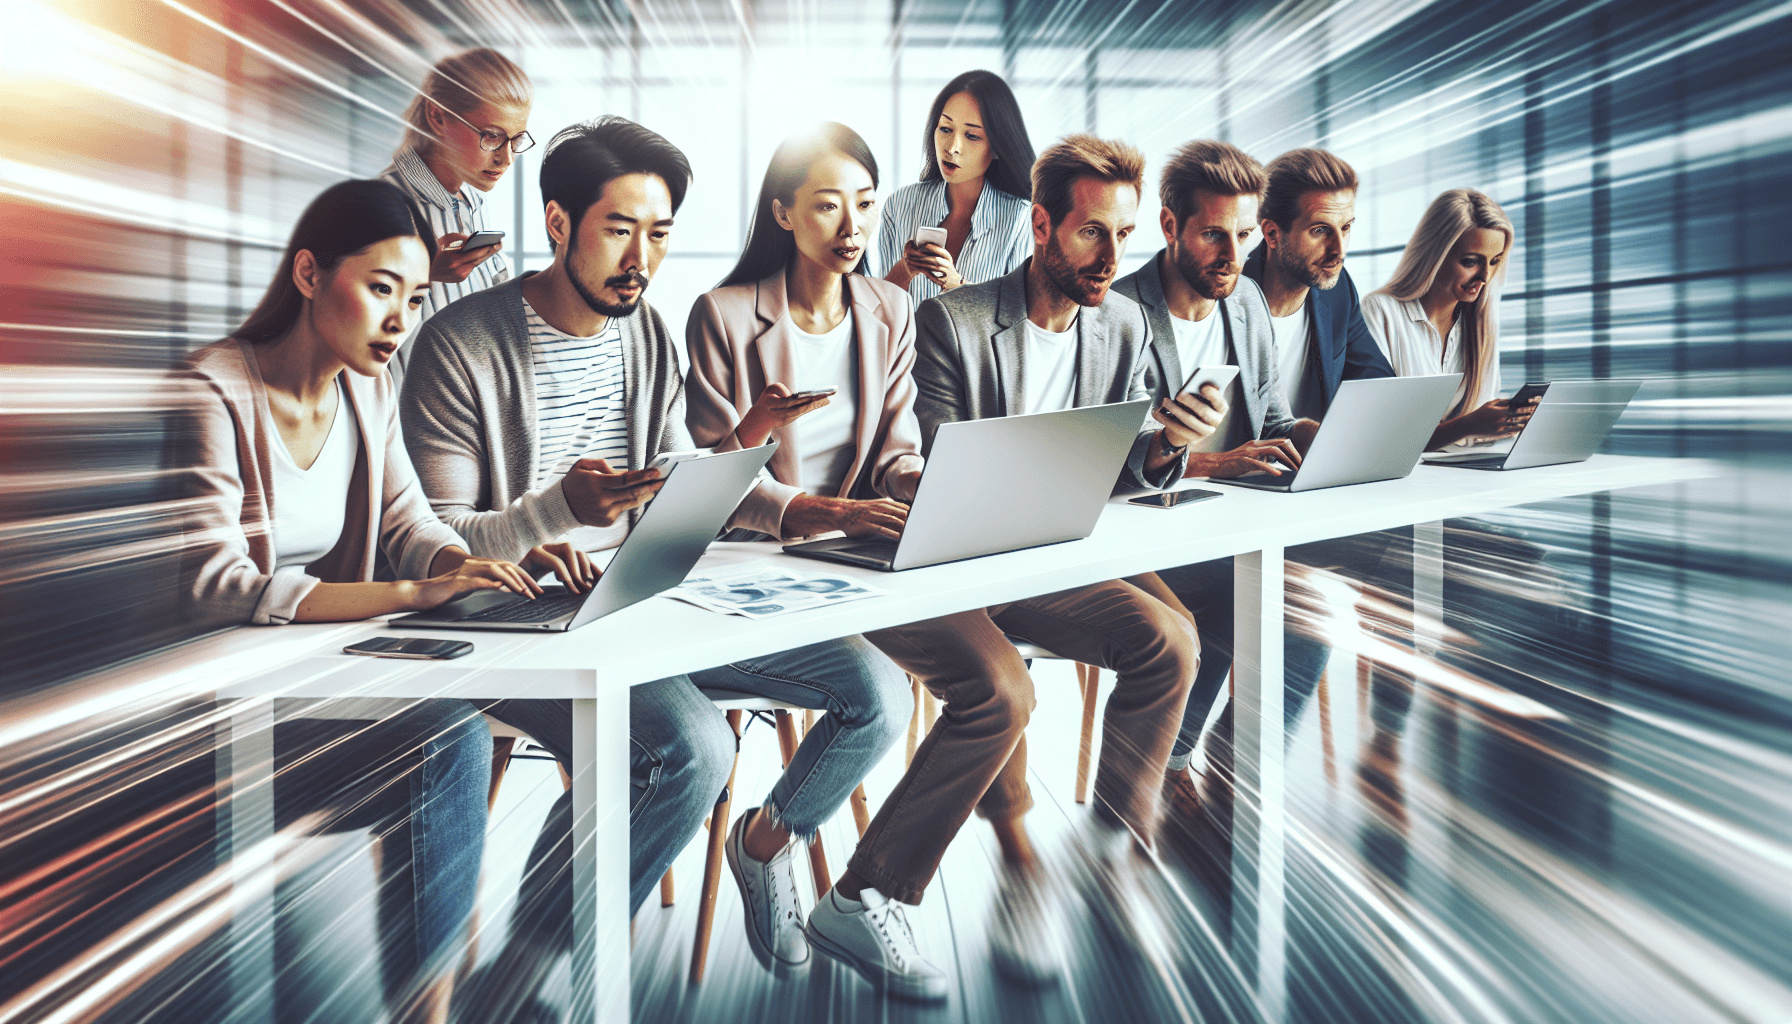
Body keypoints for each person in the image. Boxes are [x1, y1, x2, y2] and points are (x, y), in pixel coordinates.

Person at [398, 117, 907, 1002]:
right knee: (694, 748)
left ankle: (758, 854)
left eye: (661, 233)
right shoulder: (460, 346)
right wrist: (560, 510)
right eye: (620, 229)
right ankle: (532, 974)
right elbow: (439, 545)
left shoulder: (646, 334)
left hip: (646, 591)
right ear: (558, 224)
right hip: (513, 616)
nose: (643, 256)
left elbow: (681, 475)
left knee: (877, 692)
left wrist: (809, 510)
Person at [788, 133, 1204, 998]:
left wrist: (1164, 445)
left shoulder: (1121, 322)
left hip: (1051, 554)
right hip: (953, 560)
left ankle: (1110, 842)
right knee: (1004, 685)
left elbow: (1119, 465)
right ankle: (1005, 861)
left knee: (1172, 640)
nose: (1112, 257)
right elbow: (936, 464)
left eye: (1126, 236)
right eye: (1093, 233)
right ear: (1043, 225)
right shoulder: (955, 319)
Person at [172, 179, 538, 1024]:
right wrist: (412, 592)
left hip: (318, 686)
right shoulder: (213, 388)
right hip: (221, 725)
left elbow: (411, 523)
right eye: (381, 290)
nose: (401, 319)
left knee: (449, 734)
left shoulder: (366, 389)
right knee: (446, 737)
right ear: (308, 273)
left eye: (414, 297)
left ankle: (428, 1013)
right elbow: (213, 585)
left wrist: (462, 566)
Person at [1109, 140, 1334, 859]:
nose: (1231, 254)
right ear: (1170, 227)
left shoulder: (1246, 304)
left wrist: (1323, 437)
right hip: (1140, 537)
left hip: (1232, 525)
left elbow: (1269, 418)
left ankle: (1232, 776)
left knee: (1310, 613)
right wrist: (1214, 462)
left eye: (1242, 235)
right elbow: (1111, 463)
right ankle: (1164, 775)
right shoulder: (1117, 316)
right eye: (1212, 234)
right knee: (1225, 609)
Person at [380, 47, 532, 375]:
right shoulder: (381, 203)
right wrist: (424, 273)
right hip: (408, 412)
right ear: (437, 117)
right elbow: (343, 328)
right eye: (492, 136)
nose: (506, 159)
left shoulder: (471, 200)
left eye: (516, 140)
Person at [1361, 188, 1528, 450]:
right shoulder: (1381, 311)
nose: (1485, 276)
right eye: (1471, 261)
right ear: (1434, 254)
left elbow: (1476, 438)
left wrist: (1510, 420)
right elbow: (1379, 435)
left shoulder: (1481, 325)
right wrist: (1470, 425)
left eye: (1495, 261)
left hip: (1461, 476)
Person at [874, 70, 1036, 305]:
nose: (952, 147)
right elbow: (880, 309)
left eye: (972, 136)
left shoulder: (1020, 219)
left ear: (998, 145)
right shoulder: (900, 205)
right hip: (906, 343)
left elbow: (1019, 316)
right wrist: (905, 269)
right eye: (946, 129)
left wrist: (955, 284)